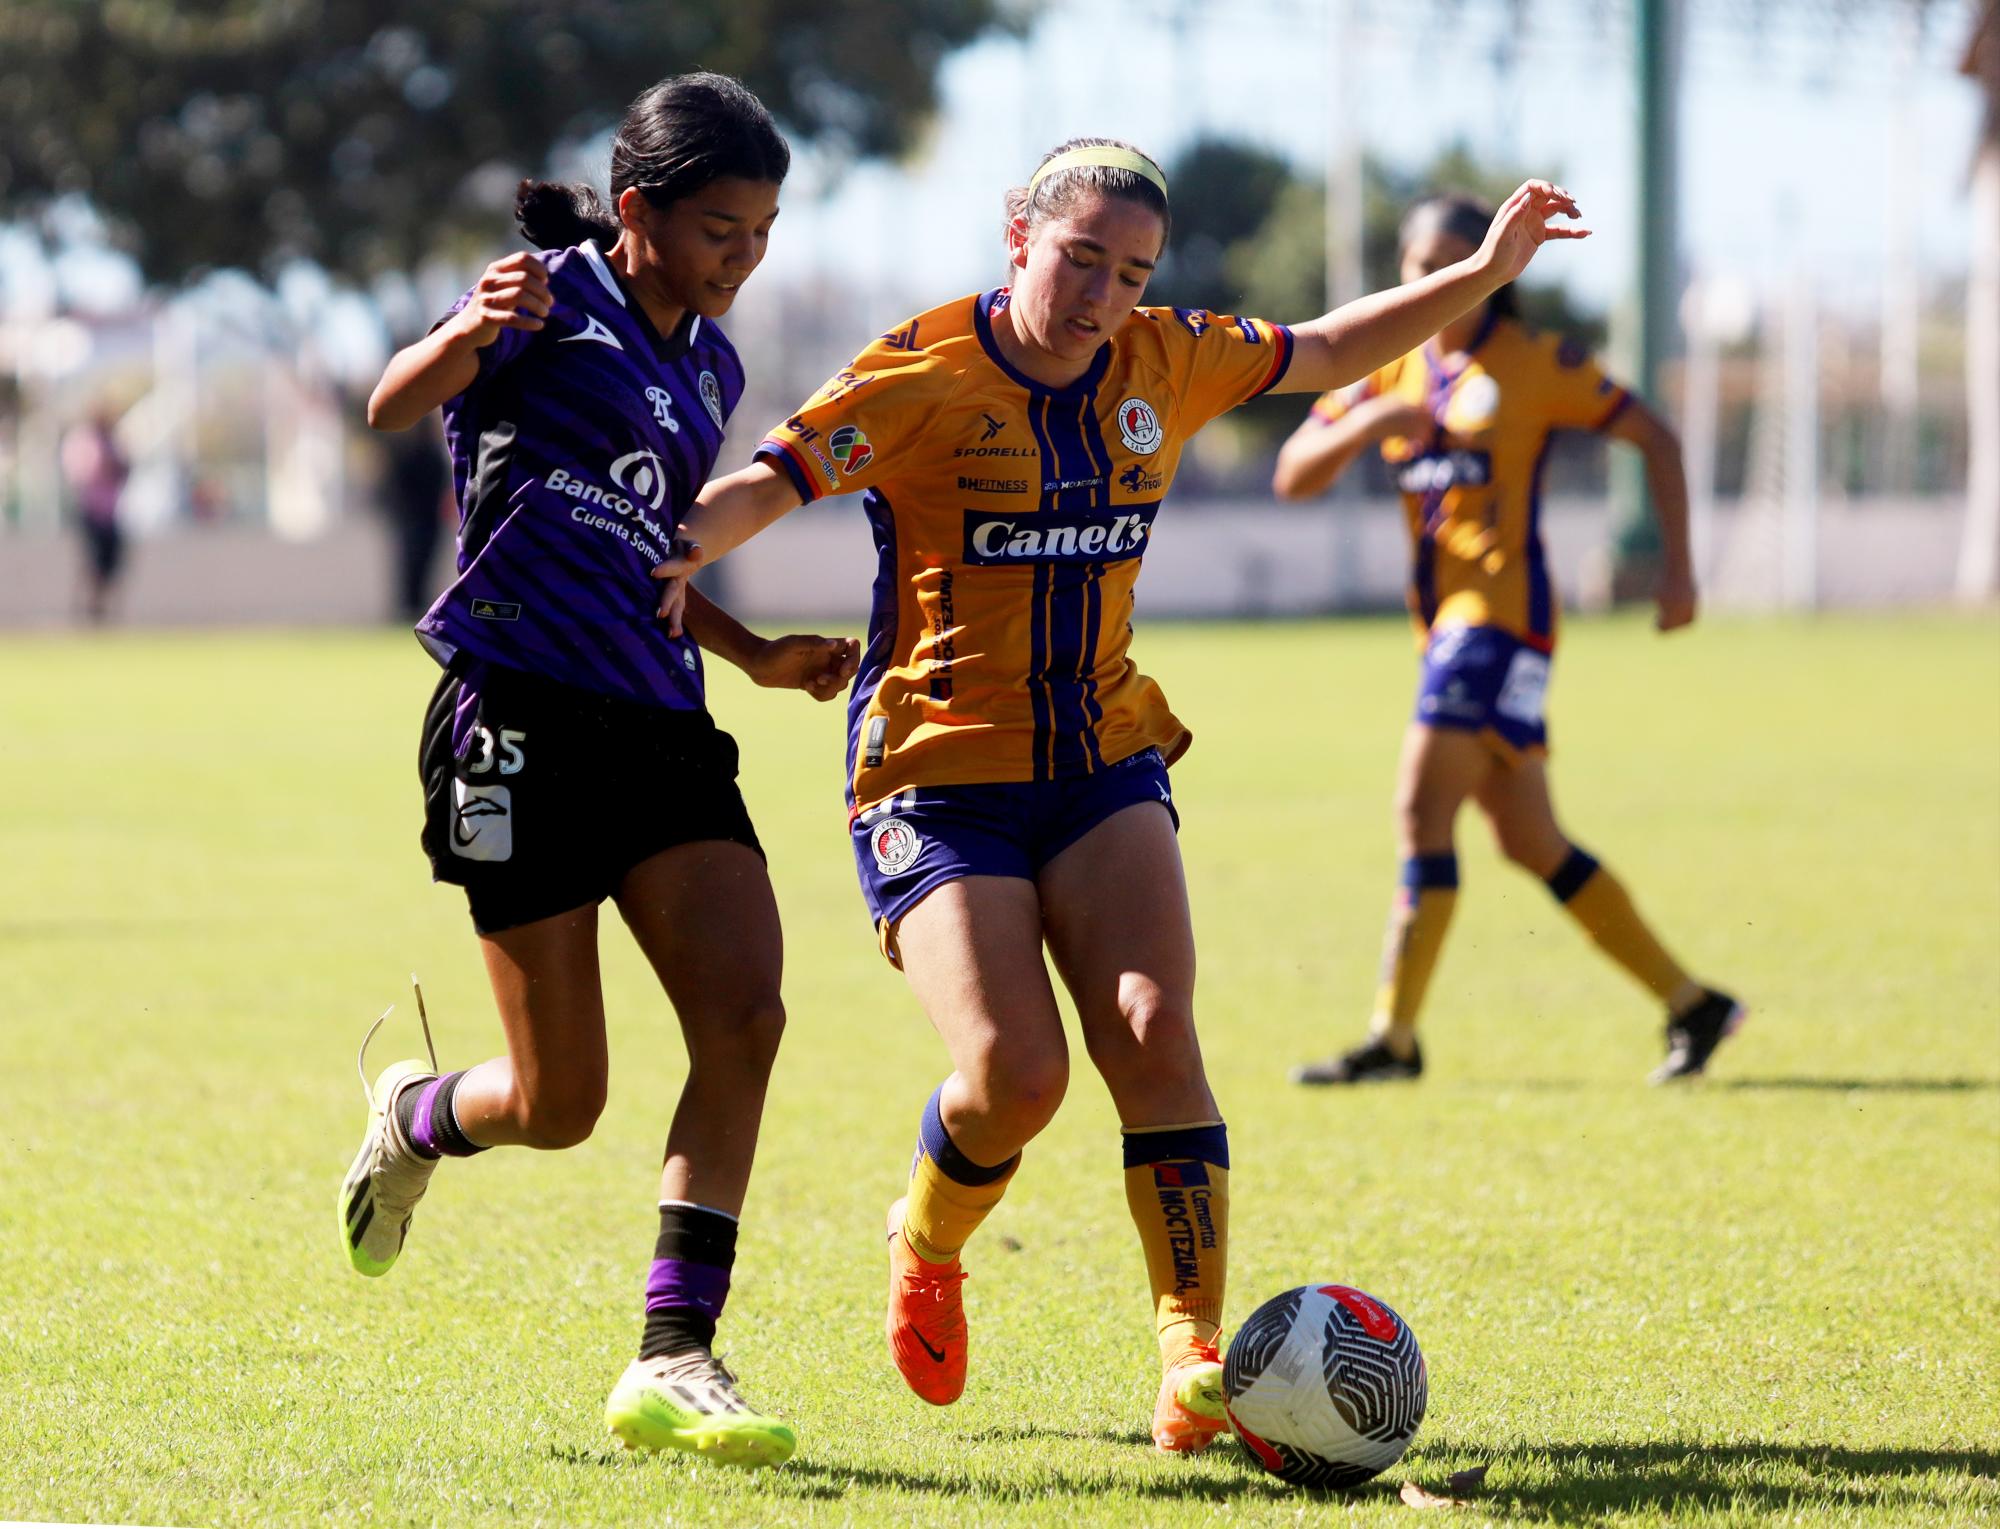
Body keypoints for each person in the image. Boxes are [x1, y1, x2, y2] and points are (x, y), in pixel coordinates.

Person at [648, 142, 1585, 1452]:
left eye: (1131, 273)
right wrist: (679, 538)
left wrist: (1487, 270)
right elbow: (773, 478)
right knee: (1016, 1074)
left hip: (1101, 755)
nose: (1102, 296)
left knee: (1152, 1026)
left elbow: (1320, 347)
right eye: (1083, 258)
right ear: (1019, 235)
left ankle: (1192, 1354)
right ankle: (929, 1233)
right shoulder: (919, 374)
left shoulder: (1167, 356)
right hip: (937, 768)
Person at [345, 73, 857, 1469]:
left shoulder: (712, 368)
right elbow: (393, 407)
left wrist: (753, 655)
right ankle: (421, 1116)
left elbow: (658, 557)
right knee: (563, 1103)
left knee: (746, 1018)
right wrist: (465, 323)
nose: (740, 257)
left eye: (759, 232)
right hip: (514, 720)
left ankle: (674, 1355)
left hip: (659, 725)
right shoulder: (544, 299)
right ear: (637, 212)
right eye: (716, 230)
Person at [1272, 194, 1743, 1089]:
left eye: (1462, 260)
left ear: (1494, 273)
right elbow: (1292, 475)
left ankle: (1395, 1038)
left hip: (1499, 629)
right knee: (1530, 839)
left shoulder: (1536, 363)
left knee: (1420, 809)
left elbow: (1656, 434)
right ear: (1406, 273)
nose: (1440, 280)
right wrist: (1370, 425)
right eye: (1422, 264)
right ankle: (1693, 1003)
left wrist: (1678, 568)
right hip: (1447, 634)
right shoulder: (1386, 370)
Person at [61, 407, 129, 623]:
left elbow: (124, 468)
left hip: (110, 512)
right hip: (90, 509)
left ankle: (100, 608)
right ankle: (86, 609)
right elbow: (82, 472)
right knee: (93, 562)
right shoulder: (84, 440)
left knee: (111, 563)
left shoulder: (113, 442)